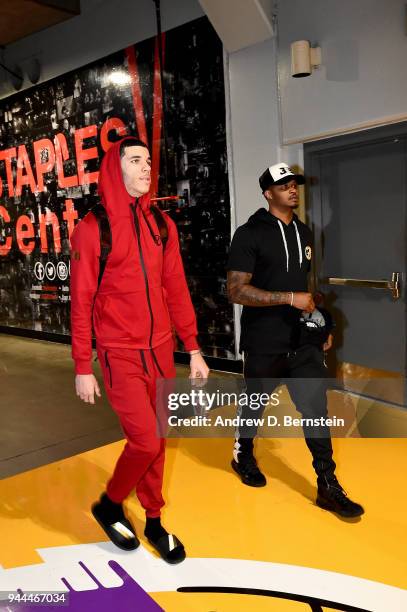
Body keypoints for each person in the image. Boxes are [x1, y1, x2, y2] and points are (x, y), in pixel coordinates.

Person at [70, 136, 209, 562]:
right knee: (145, 441)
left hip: (161, 349)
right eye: (136, 161)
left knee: (159, 439)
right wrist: (82, 365)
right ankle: (111, 503)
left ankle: (153, 519)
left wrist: (195, 347)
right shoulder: (93, 229)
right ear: (117, 168)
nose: (147, 167)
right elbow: (81, 299)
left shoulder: (161, 225)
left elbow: (175, 288)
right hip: (118, 353)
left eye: (148, 160)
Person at [226, 162, 363, 518]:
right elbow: (236, 290)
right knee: (255, 404)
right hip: (263, 342)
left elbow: (304, 288)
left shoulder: (303, 232)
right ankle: (243, 452)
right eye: (283, 185)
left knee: (316, 411)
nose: (292, 189)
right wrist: (288, 298)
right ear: (268, 193)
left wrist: (321, 324)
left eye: (294, 184)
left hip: (302, 342)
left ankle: (328, 485)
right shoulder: (248, 233)